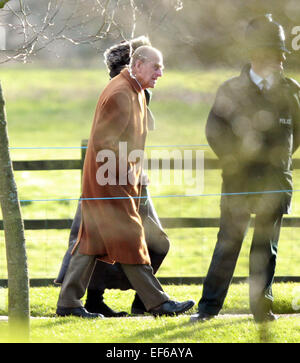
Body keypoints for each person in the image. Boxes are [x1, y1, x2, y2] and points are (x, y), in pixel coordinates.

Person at [56, 45, 195, 318]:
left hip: (114, 178)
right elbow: (104, 143)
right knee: (132, 237)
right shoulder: (121, 93)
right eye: (156, 66)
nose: (161, 72)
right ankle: (158, 303)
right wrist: (128, 171)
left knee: (89, 243)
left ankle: (68, 303)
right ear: (139, 64)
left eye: (161, 67)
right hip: (110, 181)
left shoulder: (136, 92)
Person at [190, 14, 300, 323]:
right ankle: (208, 308)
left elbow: (297, 136)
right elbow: (214, 132)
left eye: (282, 53)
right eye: (275, 53)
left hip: (276, 182)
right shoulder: (230, 90)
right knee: (228, 244)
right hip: (239, 182)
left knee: (266, 249)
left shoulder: (292, 92)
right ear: (257, 54)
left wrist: (276, 162)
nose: (282, 59)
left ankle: (260, 309)